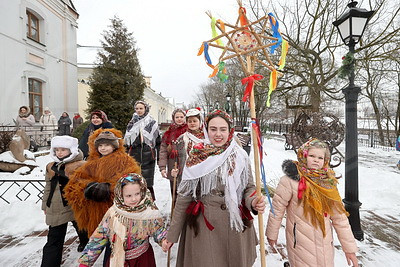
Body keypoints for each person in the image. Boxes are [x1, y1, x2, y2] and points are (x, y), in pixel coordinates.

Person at [163, 110, 266, 267]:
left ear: (230, 130)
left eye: (223, 129)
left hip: (235, 226)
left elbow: (248, 187)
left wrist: (253, 202)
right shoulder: (197, 156)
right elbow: (184, 198)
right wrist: (172, 235)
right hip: (205, 228)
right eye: (213, 129)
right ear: (206, 129)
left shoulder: (239, 155)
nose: (218, 134)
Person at [265, 138, 359, 267]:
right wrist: (272, 234)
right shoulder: (289, 181)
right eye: (312, 156)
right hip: (300, 242)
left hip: (325, 244)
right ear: (303, 156)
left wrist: (350, 250)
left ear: (325, 160)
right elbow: (277, 208)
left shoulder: (328, 184)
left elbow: (340, 218)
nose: (316, 160)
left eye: (320, 158)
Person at [64, 128, 141, 265]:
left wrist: (109, 188)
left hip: (117, 212)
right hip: (97, 213)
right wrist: (88, 188)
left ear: (114, 145)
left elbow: (132, 180)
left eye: (107, 145)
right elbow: (73, 185)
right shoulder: (91, 163)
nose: (103, 148)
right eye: (100, 145)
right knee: (103, 242)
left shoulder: (125, 161)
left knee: (116, 246)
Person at [78, 173, 169, 267]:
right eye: (128, 196)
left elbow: (158, 228)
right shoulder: (113, 214)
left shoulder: (148, 210)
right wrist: (85, 262)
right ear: (120, 195)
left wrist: (163, 240)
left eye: (137, 194)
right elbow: (99, 237)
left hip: (143, 259)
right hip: (118, 260)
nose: (134, 199)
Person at [41, 136, 88, 267]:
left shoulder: (81, 166)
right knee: (54, 239)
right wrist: (45, 204)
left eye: (63, 149)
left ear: (72, 150)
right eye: (56, 149)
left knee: (82, 228)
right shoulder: (51, 167)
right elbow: (48, 187)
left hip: (76, 205)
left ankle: (85, 242)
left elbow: (87, 186)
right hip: (57, 206)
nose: (59, 152)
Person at [124, 101, 161, 201]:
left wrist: (159, 158)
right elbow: (127, 141)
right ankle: (136, 202)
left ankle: (149, 202)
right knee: (134, 181)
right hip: (134, 155)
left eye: (141, 108)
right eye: (137, 109)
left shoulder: (152, 122)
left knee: (147, 181)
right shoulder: (132, 122)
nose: (139, 111)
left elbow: (158, 141)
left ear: (145, 109)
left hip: (148, 155)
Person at [158, 108, 187, 197]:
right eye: (177, 117)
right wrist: (162, 168)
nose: (179, 119)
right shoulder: (168, 134)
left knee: (185, 192)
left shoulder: (189, 131)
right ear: (173, 118)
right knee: (174, 190)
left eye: (181, 117)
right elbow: (163, 152)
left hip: (186, 166)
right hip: (172, 165)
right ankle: (175, 209)